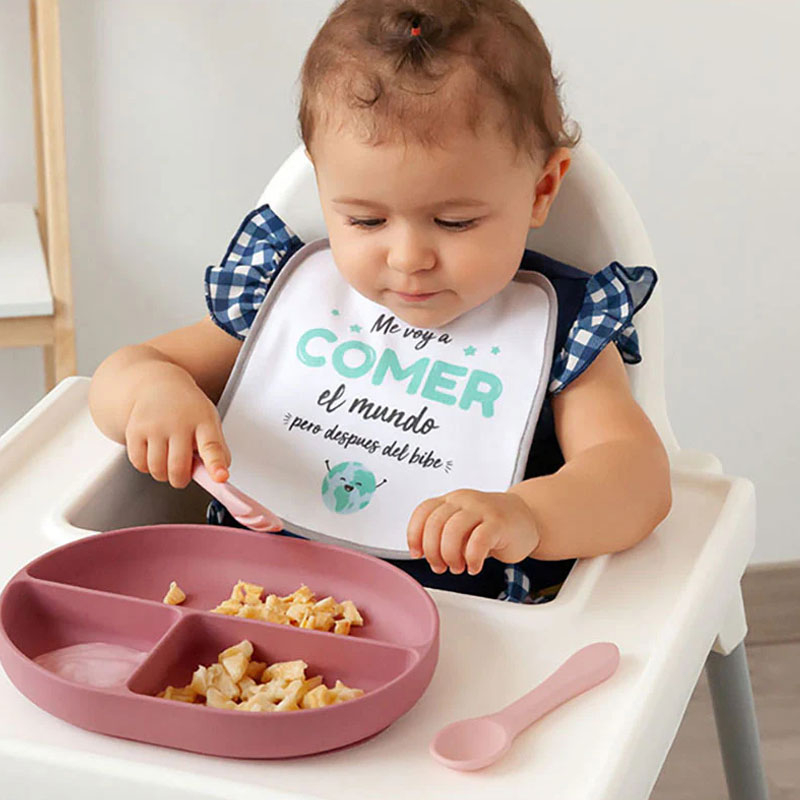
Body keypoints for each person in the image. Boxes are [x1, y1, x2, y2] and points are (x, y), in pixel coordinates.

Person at [89, 0, 671, 603]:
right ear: (322, 184)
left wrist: (529, 515)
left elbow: (636, 479)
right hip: (239, 608)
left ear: (541, 189)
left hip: (455, 625)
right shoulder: (288, 292)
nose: (408, 257)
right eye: (365, 220)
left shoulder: (560, 328)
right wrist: (153, 395)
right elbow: (124, 372)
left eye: (455, 222)